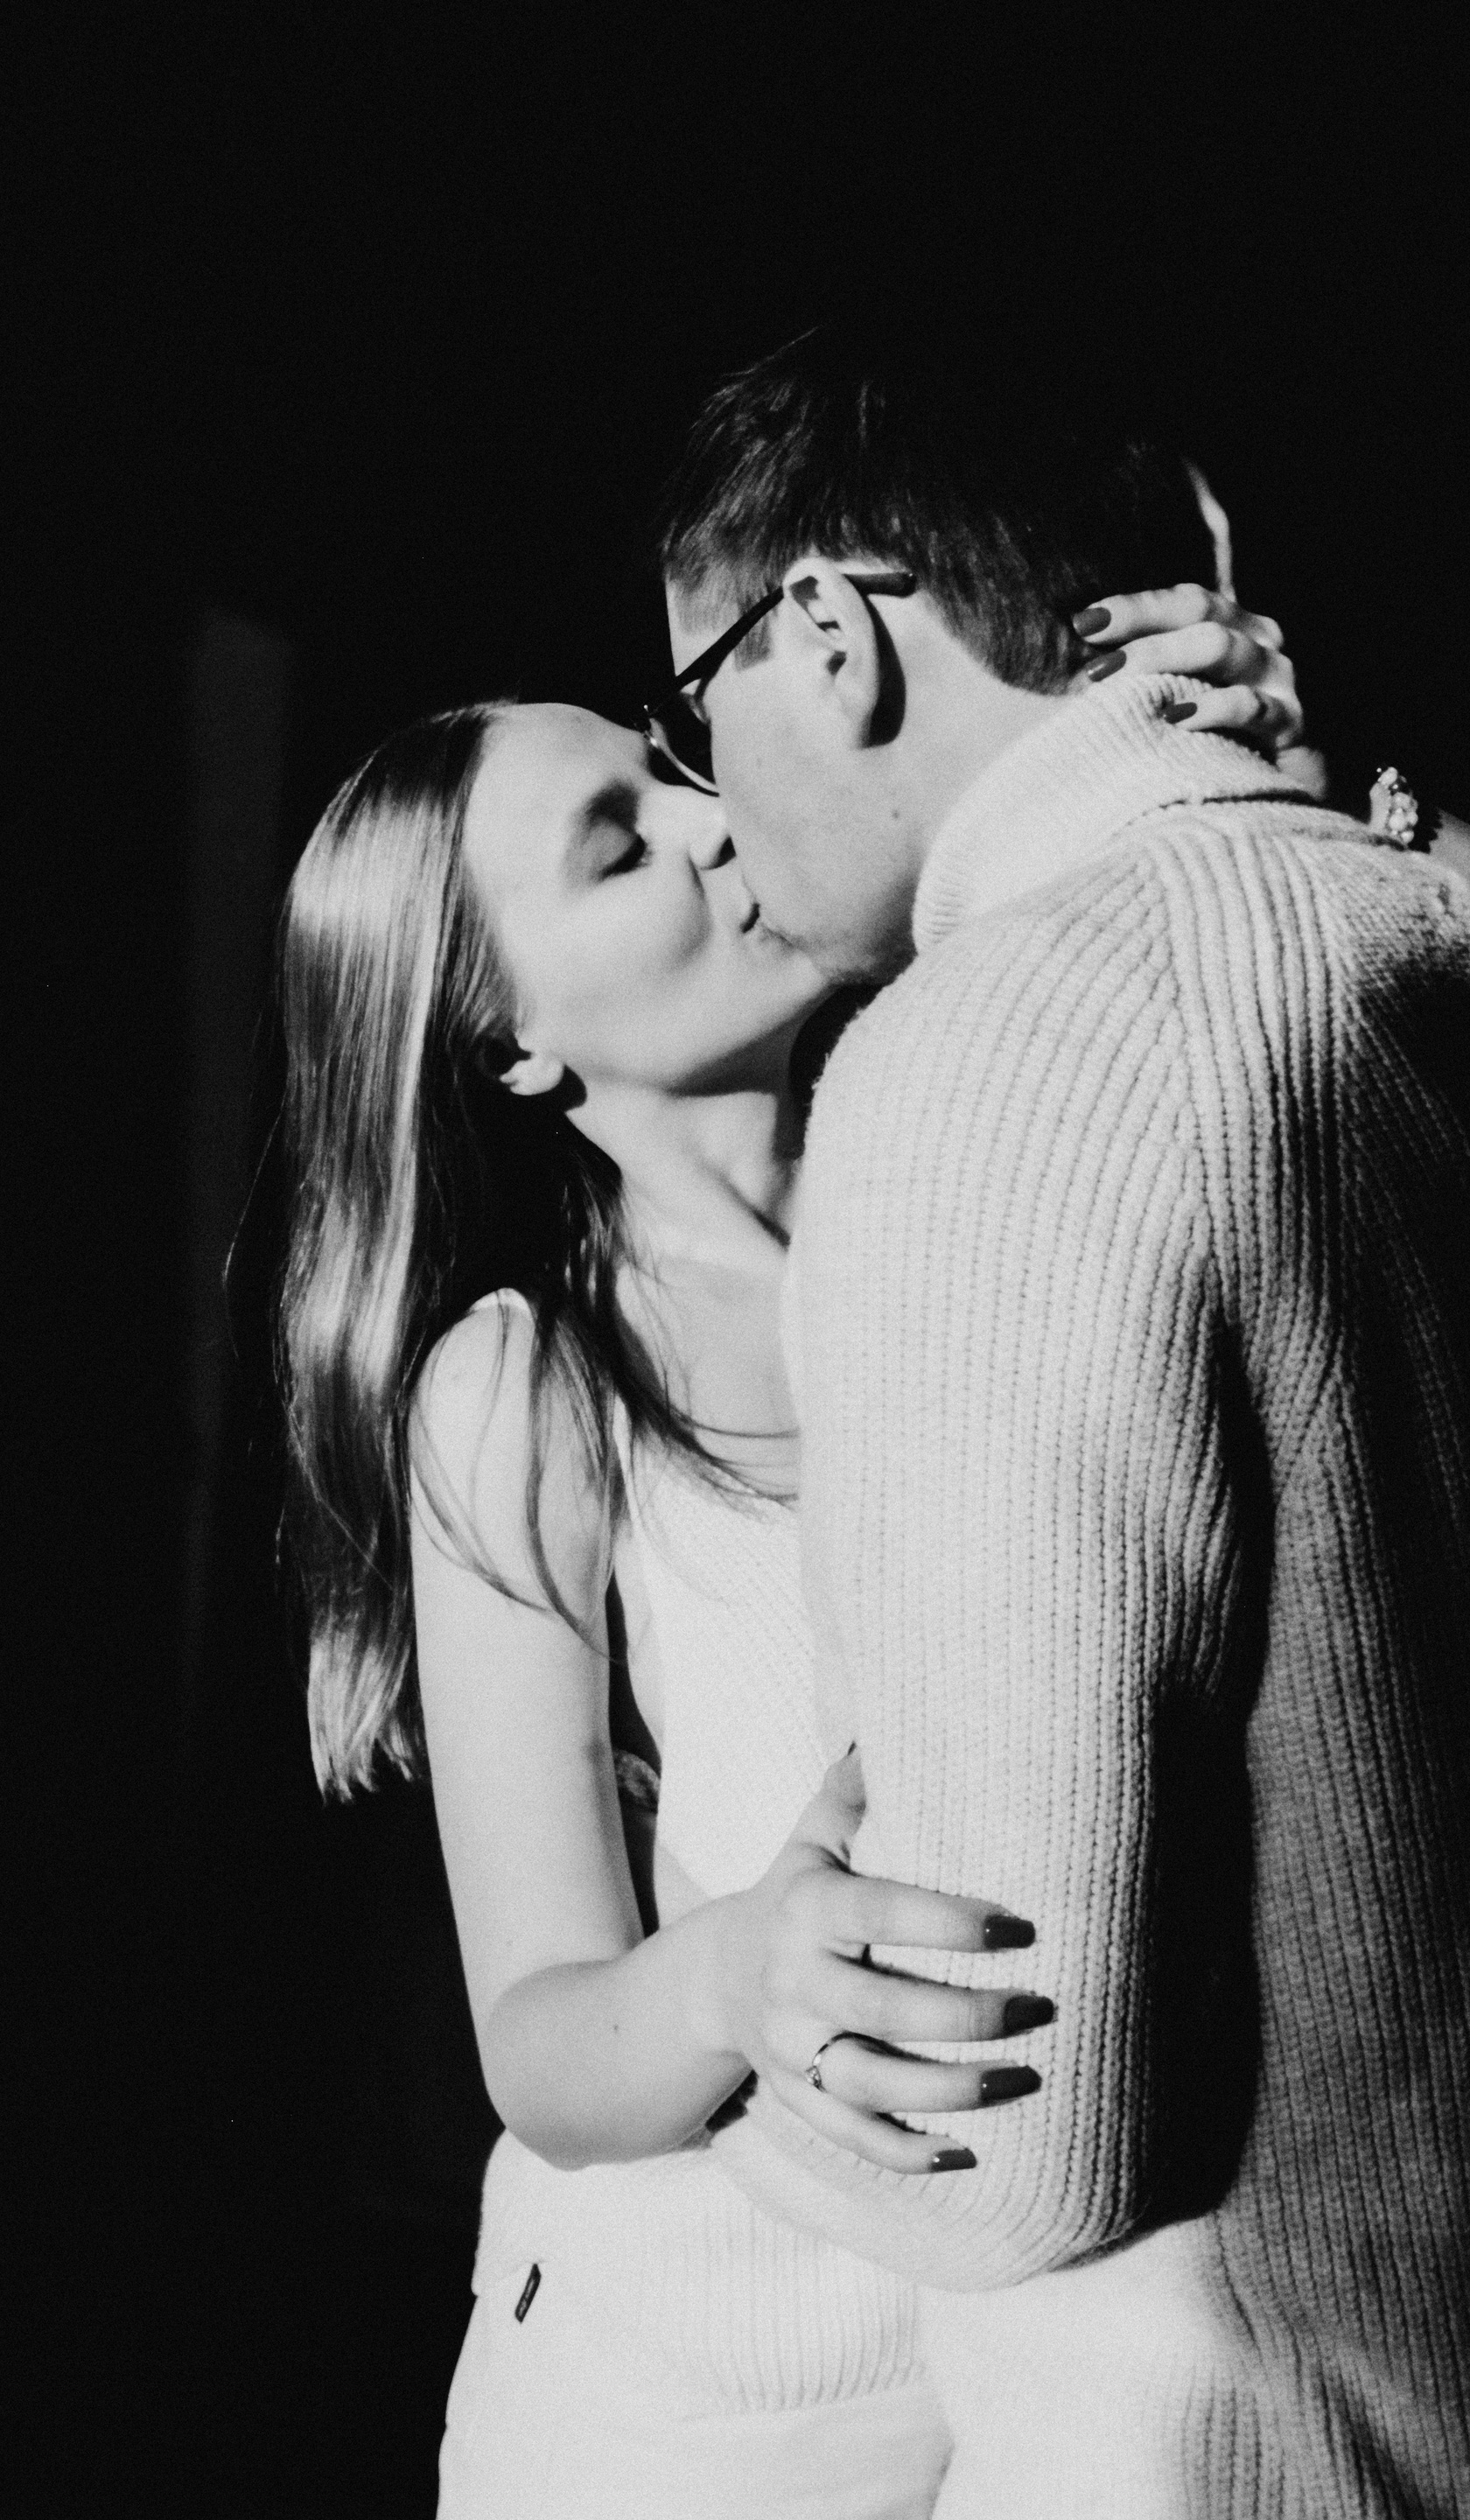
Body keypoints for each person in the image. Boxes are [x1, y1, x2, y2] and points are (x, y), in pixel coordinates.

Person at [276, 569, 1301, 2513]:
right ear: (507, 1044)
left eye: (670, 768)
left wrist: (1240, 769)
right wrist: (737, 1973)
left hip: (1034, 2387)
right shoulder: (526, 1390)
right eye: (617, 847)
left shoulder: (985, 1181)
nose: (708, 818)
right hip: (675, 2430)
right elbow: (539, 2042)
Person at [650, 332, 1470, 2516]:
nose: (710, 794)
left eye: (694, 700)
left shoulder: (999, 1052)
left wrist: (747, 2053)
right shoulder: (1428, 932)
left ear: (826, 630)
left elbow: (1026, 2132)